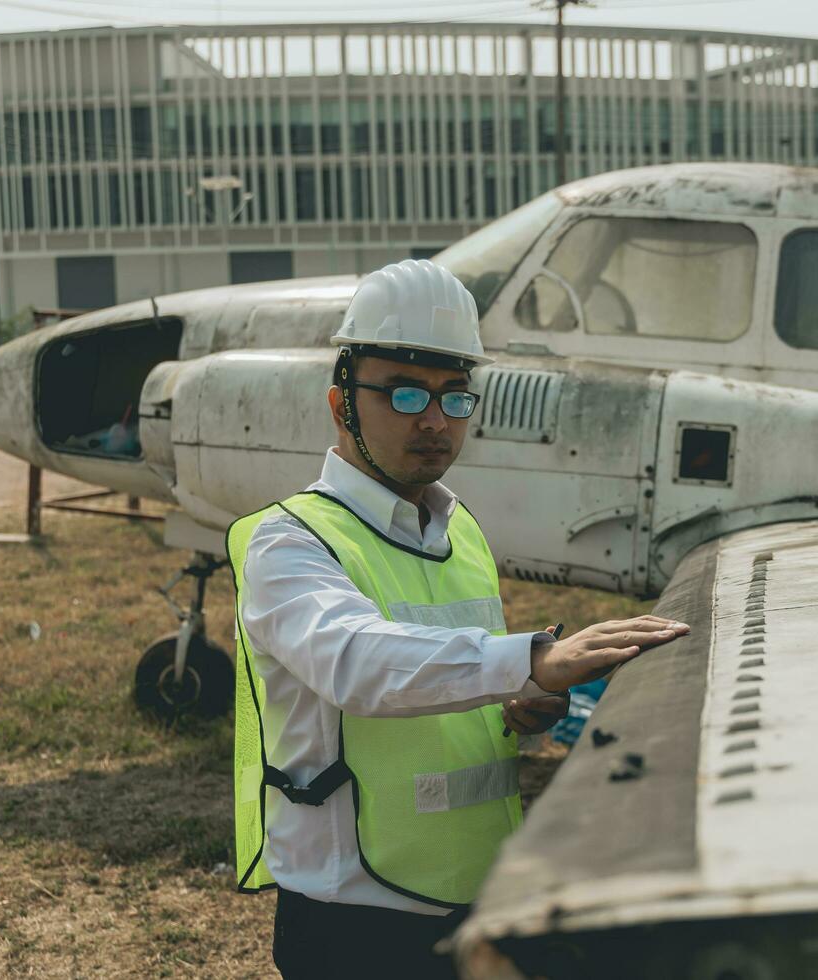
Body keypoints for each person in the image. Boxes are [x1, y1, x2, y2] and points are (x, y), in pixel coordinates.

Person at [226, 259, 689, 979]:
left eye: (454, 395)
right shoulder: (291, 542)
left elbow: (455, 696)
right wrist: (529, 658)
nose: (435, 420)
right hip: (358, 921)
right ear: (340, 404)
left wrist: (525, 707)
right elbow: (358, 663)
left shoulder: (458, 530)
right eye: (405, 393)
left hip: (475, 887)